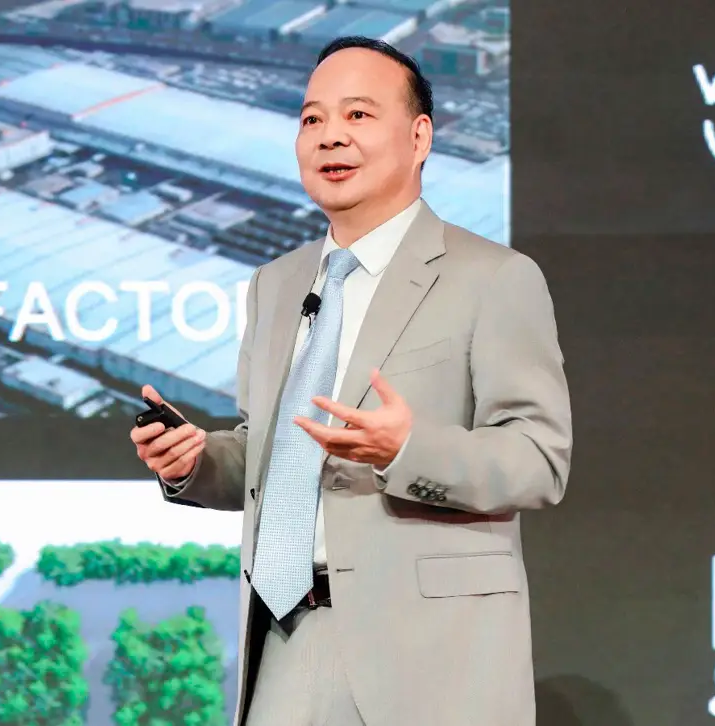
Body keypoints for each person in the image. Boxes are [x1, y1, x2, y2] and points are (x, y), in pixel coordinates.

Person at [130, 35, 572, 726]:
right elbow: (275, 457)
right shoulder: (275, 284)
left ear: (419, 137)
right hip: (284, 636)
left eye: (358, 115)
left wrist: (406, 450)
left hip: (429, 656)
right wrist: (196, 461)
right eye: (312, 119)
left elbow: (538, 460)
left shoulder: (493, 277)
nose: (330, 136)